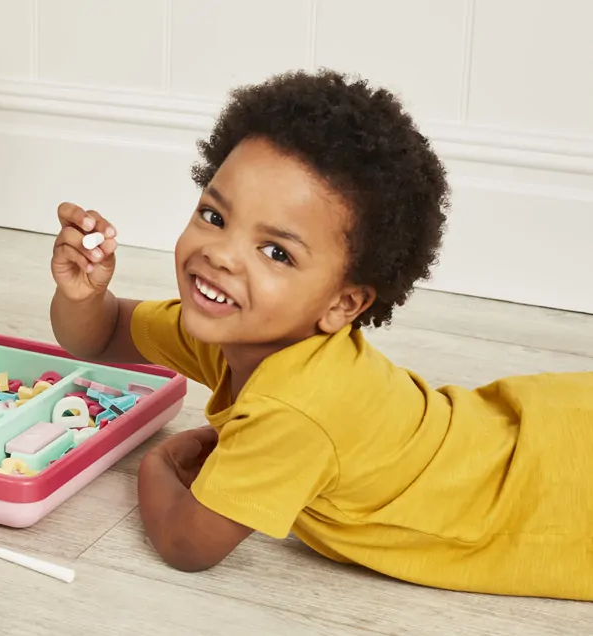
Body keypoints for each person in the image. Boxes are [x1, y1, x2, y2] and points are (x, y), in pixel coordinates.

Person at [47, 69, 592, 602]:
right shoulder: (241, 330)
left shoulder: (293, 411)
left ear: (343, 304)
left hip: (547, 500)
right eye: (214, 215)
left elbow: (188, 543)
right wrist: (83, 296)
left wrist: (159, 463)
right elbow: (103, 334)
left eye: (276, 252)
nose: (220, 253)